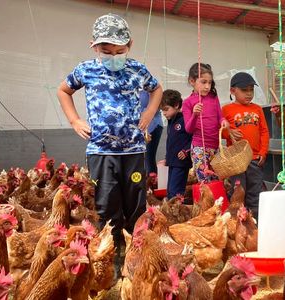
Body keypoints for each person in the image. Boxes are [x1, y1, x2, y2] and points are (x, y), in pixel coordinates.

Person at [56, 13, 162, 278]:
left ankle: (136, 256)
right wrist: (74, 120)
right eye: (106, 51)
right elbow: (63, 90)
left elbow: (157, 89)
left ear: (130, 46)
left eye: (119, 51)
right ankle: (111, 256)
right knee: (106, 205)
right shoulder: (86, 70)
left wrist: (149, 114)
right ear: (94, 46)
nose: (113, 55)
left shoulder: (138, 69)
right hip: (101, 151)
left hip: (134, 150)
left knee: (136, 204)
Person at [222, 72, 269, 220]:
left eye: (251, 90)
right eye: (244, 90)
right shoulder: (226, 110)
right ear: (232, 91)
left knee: (255, 193)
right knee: (237, 193)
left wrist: (263, 151)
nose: (249, 94)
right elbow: (221, 131)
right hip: (236, 161)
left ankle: (256, 225)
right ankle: (237, 226)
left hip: (255, 159)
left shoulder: (257, 109)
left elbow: (264, 131)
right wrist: (228, 133)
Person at [182, 63, 230, 182]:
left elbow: (220, 116)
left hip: (215, 146)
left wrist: (224, 121)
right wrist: (194, 115)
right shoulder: (187, 102)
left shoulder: (213, 97)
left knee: (217, 179)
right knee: (204, 181)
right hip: (199, 147)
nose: (207, 86)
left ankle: (218, 201)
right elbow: (188, 129)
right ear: (192, 81)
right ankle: (206, 201)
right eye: (203, 82)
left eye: (209, 82)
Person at [161, 89, 193, 198]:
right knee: (170, 191)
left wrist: (186, 150)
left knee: (176, 192)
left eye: (166, 109)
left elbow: (194, 138)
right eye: (162, 110)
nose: (164, 113)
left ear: (176, 105)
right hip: (172, 162)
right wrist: (167, 157)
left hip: (181, 163)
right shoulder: (171, 121)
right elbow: (171, 142)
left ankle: (177, 212)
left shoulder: (185, 119)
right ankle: (172, 212)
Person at [140, 90, 164, 175]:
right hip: (142, 126)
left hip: (153, 124)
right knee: (146, 157)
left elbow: (157, 105)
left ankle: (152, 182)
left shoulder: (150, 87)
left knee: (148, 156)